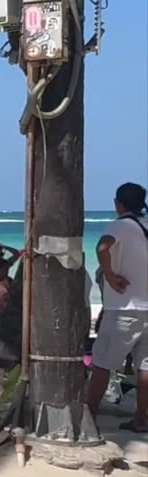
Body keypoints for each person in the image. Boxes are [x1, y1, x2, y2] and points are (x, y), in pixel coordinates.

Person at [87, 182, 148, 432]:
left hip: (125, 306)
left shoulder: (120, 225)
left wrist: (110, 276)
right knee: (144, 365)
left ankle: (88, 415)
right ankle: (142, 418)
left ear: (117, 203)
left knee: (103, 362)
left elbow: (102, 247)